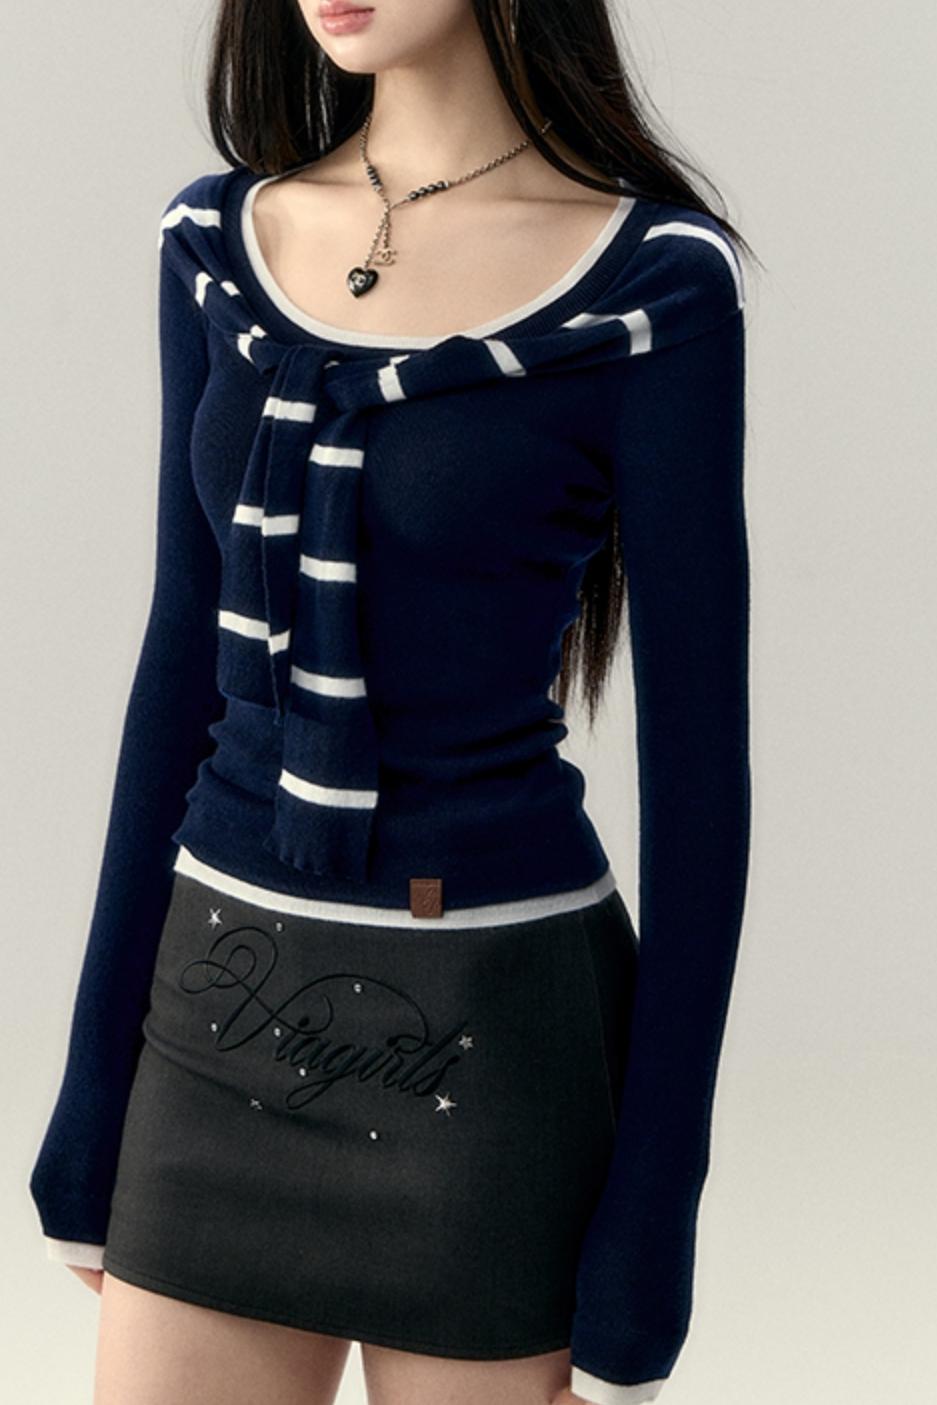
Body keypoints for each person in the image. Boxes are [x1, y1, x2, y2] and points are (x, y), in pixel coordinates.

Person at [28, 1, 755, 1402]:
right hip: (214, 1012)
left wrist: (652, 1218)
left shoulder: (653, 286)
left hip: (494, 1047)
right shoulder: (214, 247)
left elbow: (700, 778)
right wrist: (91, 1082)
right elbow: (180, 666)